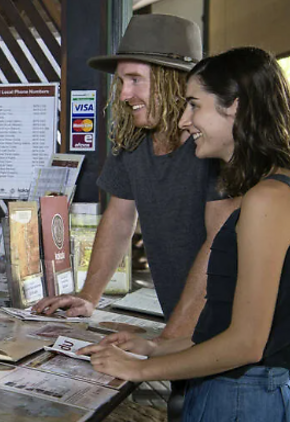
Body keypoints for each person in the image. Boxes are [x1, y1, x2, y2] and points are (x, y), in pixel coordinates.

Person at [81, 46, 290, 421]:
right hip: (226, 389)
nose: (183, 120)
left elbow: (247, 342)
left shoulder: (268, 198)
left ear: (236, 107)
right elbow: (227, 321)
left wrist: (139, 370)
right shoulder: (267, 191)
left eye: (194, 105)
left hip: (244, 395)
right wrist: (154, 348)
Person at [32, 15, 237, 342]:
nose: (125, 94)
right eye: (121, 81)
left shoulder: (213, 145)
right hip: (178, 323)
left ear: (173, 81)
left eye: (135, 79)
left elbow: (220, 245)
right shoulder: (133, 140)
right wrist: (88, 296)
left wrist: (167, 342)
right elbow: (119, 217)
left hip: (224, 334)